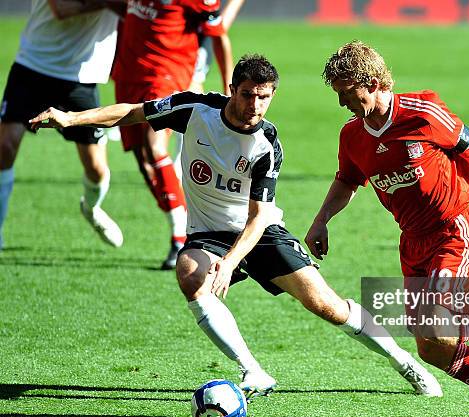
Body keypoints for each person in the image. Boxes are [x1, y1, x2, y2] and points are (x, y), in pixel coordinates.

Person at [30, 54, 443, 399]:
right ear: (232, 90)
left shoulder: (267, 144)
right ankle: (254, 371)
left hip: (258, 232)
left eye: (264, 97)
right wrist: (72, 119)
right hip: (208, 232)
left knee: (327, 307)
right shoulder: (196, 111)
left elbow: (259, 215)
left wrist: (229, 263)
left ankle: (402, 361)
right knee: (191, 273)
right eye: (248, 95)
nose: (255, 106)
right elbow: (135, 112)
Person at [306, 41, 469, 417]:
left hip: (454, 231)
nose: (342, 103)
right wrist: (322, 220)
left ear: (372, 83)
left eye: (346, 92)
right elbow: (347, 180)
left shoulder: (421, 113)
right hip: (413, 243)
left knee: (440, 321)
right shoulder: (352, 135)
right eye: (337, 94)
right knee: (432, 346)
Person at [112, 0, 234, 269]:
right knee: (143, 161)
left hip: (167, 72)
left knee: (154, 147)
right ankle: (182, 220)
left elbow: (218, 34)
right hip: (129, 73)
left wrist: (230, 90)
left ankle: (180, 237)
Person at [0, 0, 123, 251]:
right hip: (33, 65)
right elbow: (62, 8)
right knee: (4, 148)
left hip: (81, 77)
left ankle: (90, 208)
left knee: (96, 169)